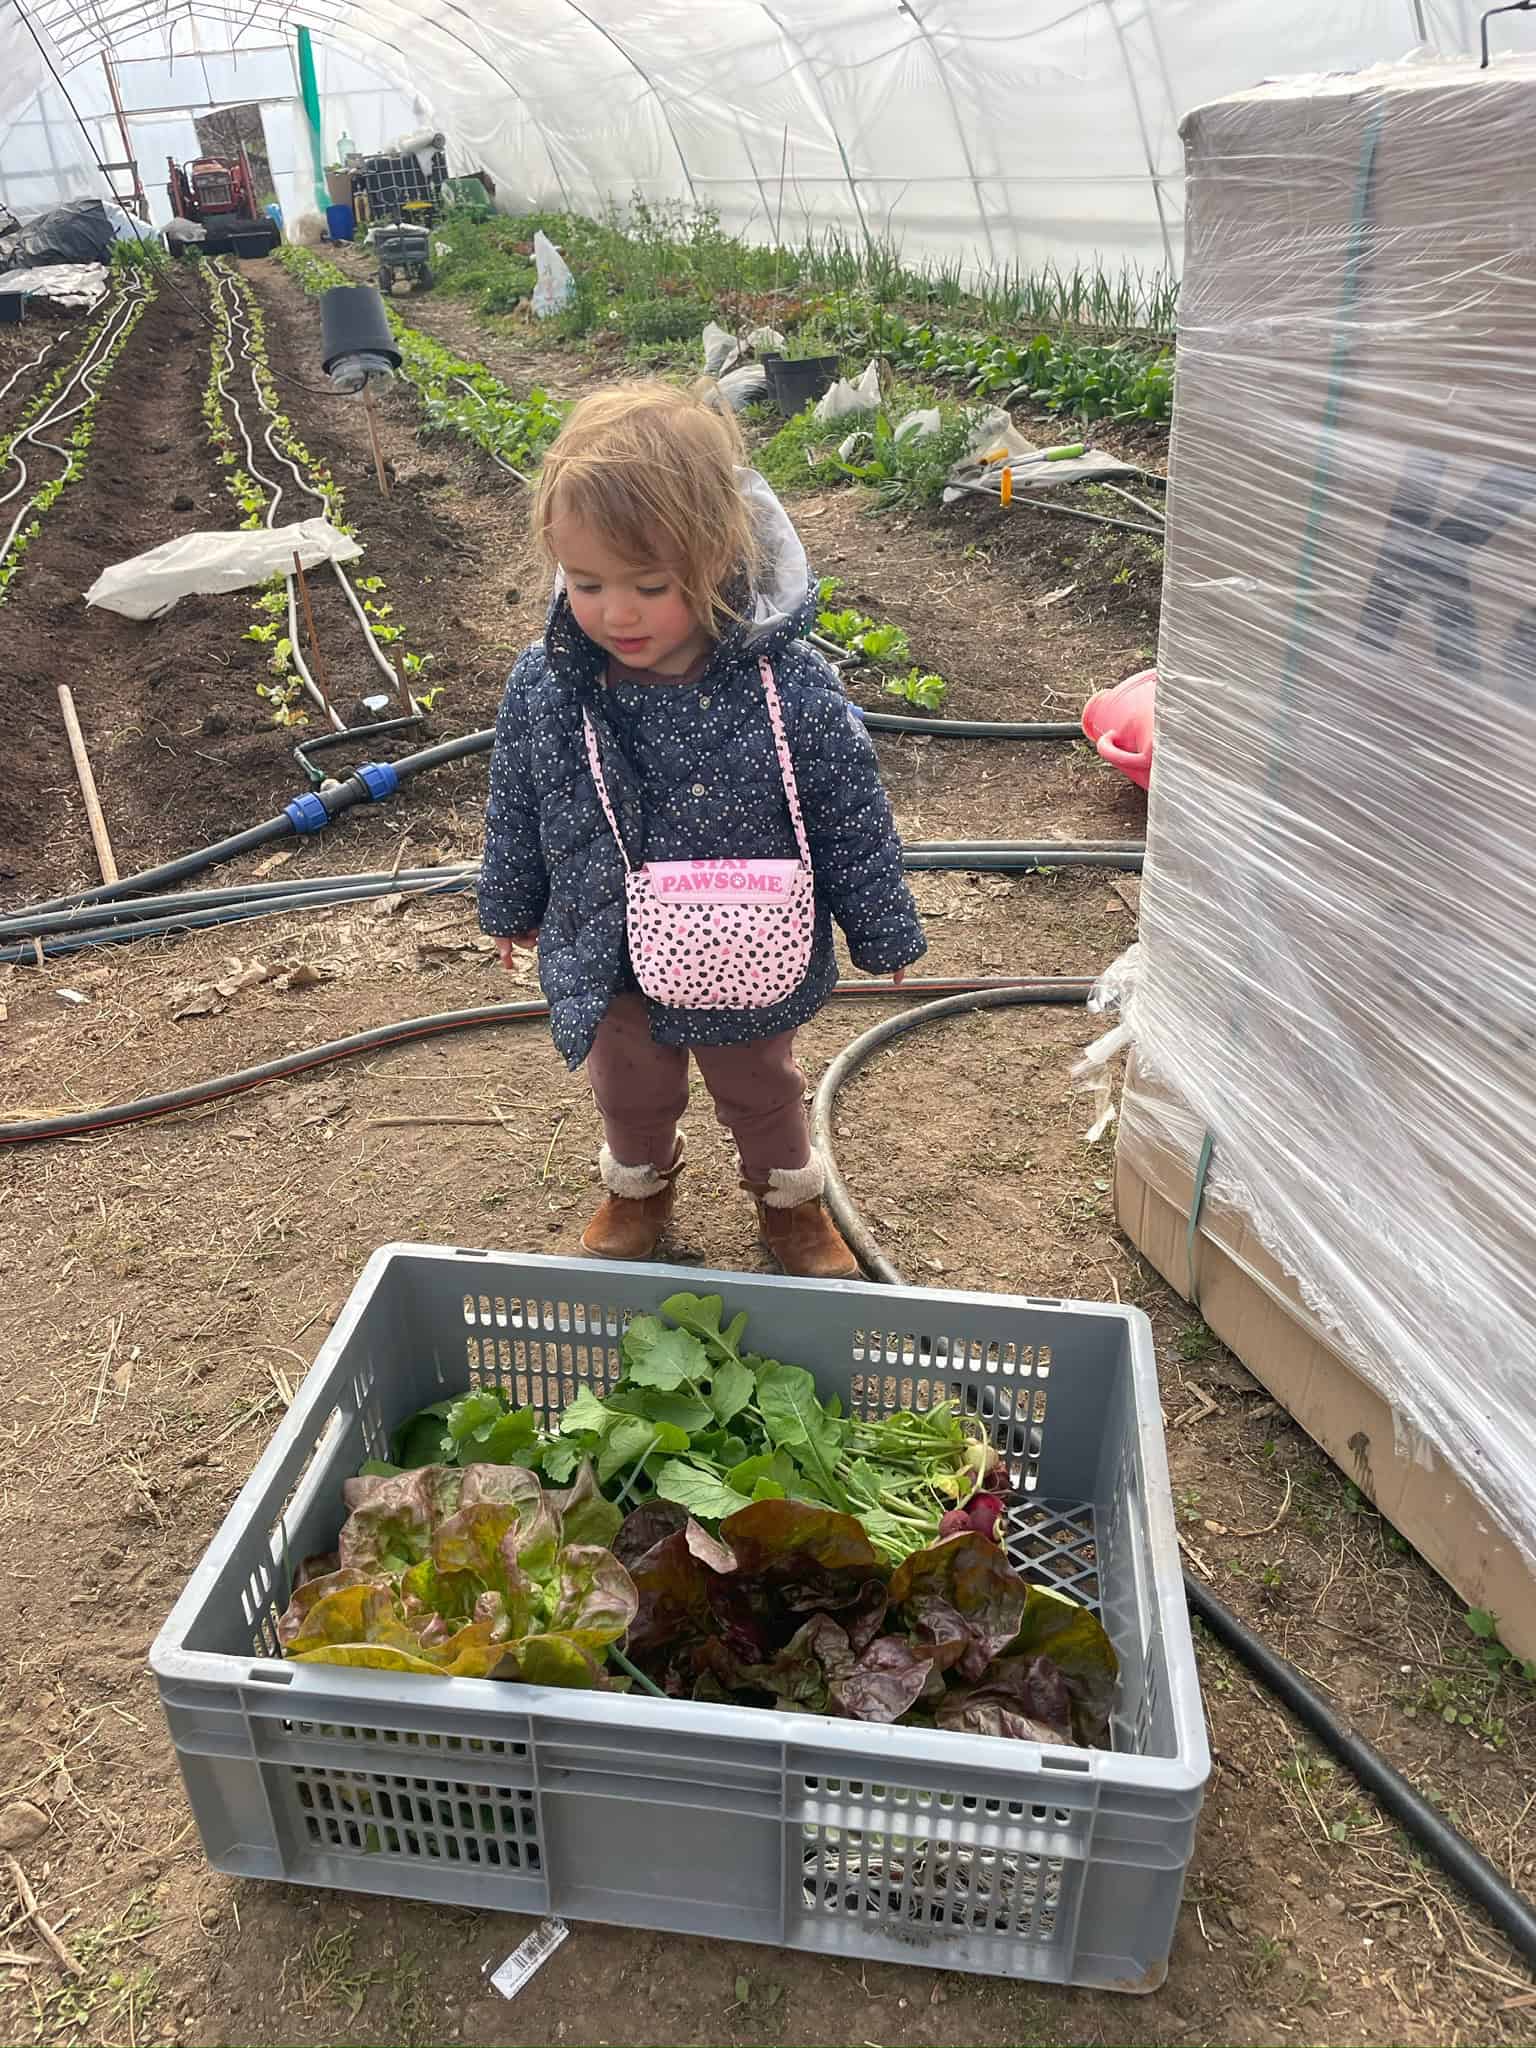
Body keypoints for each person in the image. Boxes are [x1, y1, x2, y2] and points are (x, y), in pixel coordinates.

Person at [478, 382, 926, 1277]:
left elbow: (848, 811)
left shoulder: (786, 685)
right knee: (628, 1086)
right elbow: (520, 799)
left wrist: (881, 927)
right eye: (587, 584)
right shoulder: (550, 684)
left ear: (719, 557)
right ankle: (639, 1187)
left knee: (761, 1086)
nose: (617, 613)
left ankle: (788, 1202)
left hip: (743, 944)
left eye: (650, 586)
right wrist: (512, 905)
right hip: (609, 941)